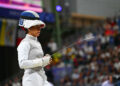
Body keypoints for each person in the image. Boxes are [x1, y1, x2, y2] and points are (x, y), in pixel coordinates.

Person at [17, 10, 52, 86]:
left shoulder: (37, 42)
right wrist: (42, 61)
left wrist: (45, 61)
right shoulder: (25, 43)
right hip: (31, 79)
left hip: (41, 77)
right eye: (36, 27)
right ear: (28, 28)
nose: (39, 29)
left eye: (39, 26)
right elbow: (22, 64)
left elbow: (37, 62)